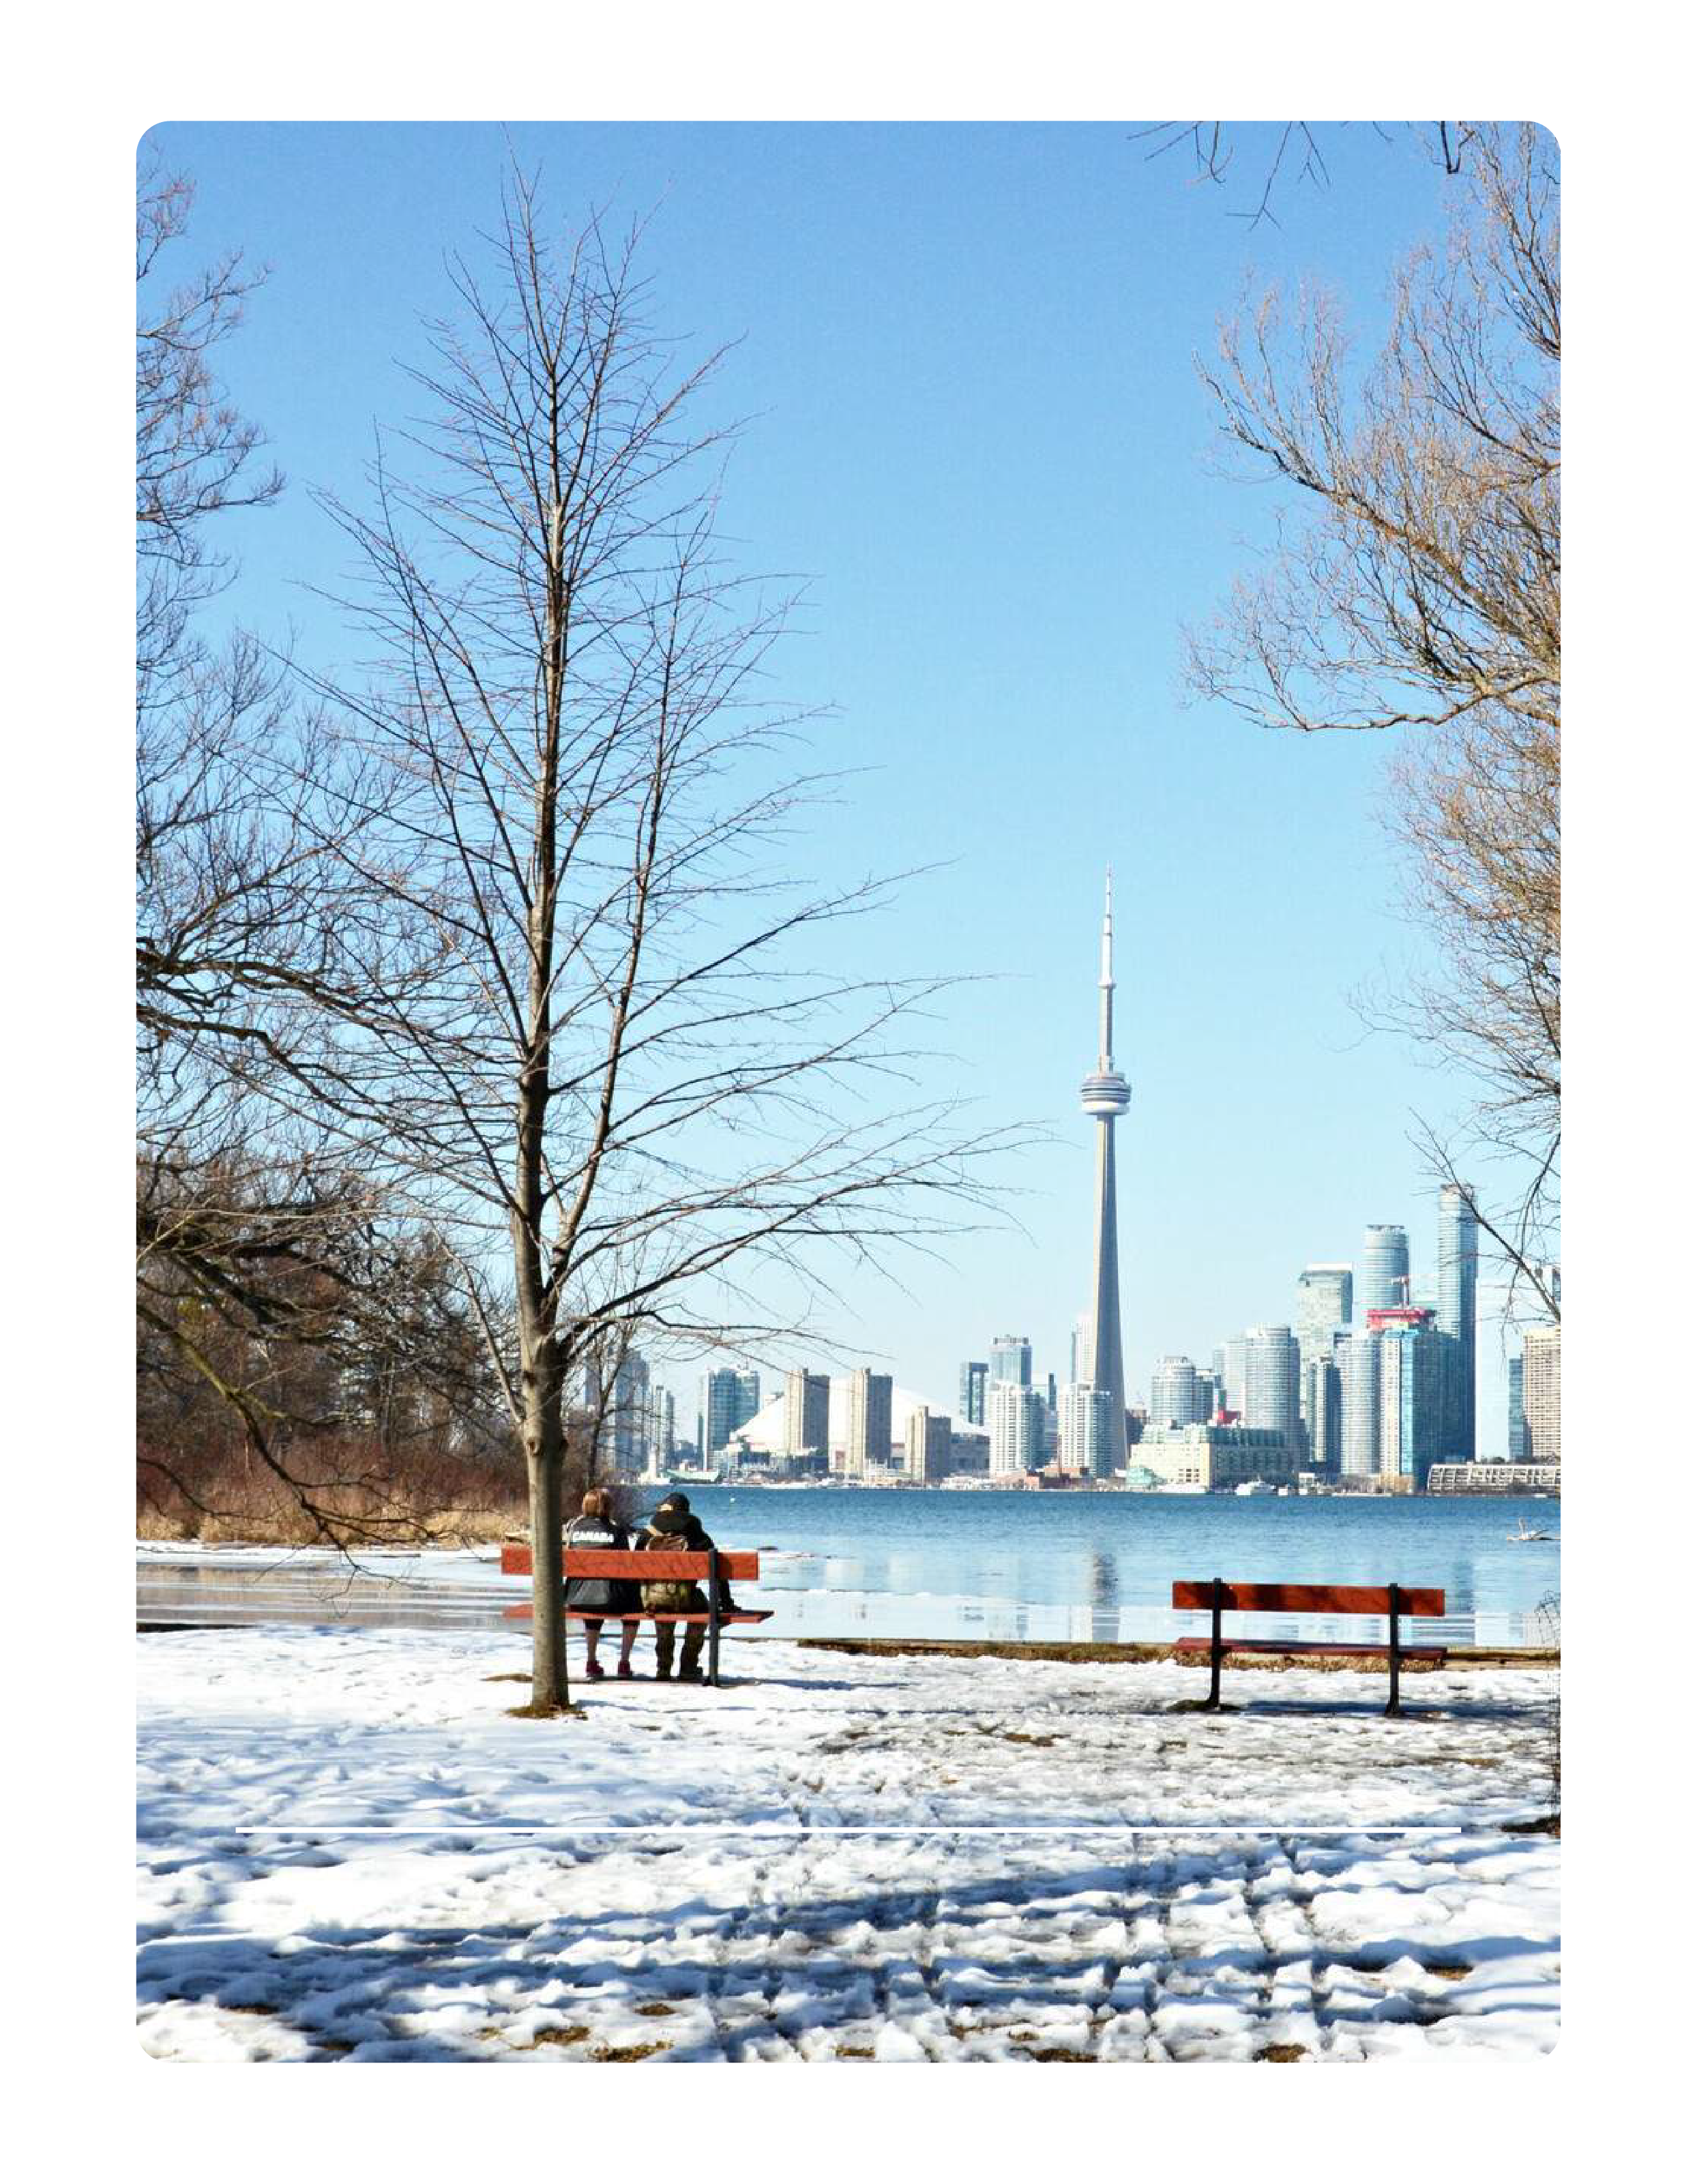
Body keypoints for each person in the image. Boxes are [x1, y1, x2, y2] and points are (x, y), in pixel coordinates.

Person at [635, 1491, 735, 1683]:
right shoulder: (696, 1531)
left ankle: (663, 1668)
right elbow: (718, 1570)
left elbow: (633, 1564)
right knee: (702, 1606)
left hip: (654, 1599)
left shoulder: (649, 1531)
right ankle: (688, 1666)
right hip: (685, 1598)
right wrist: (726, 1603)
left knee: (661, 1600)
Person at [563, 1487, 642, 1680]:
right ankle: (624, 1663)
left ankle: (591, 1661)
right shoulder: (616, 1530)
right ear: (608, 1507)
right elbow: (625, 1565)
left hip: (577, 1597)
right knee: (633, 1607)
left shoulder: (574, 1528)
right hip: (610, 1597)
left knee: (593, 1598)